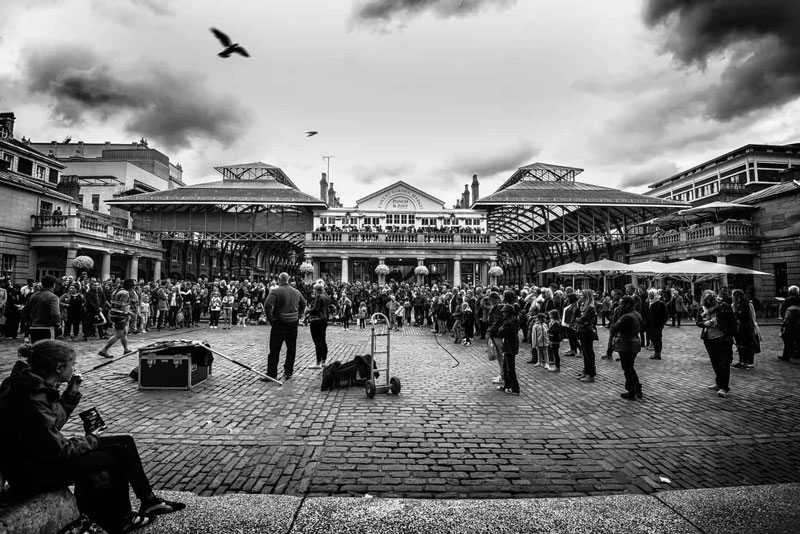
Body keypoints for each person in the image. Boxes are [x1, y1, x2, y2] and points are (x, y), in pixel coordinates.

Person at [0, 340, 185, 533]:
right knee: (108, 459)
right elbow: (59, 450)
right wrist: (93, 440)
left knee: (124, 443)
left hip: (34, 461)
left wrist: (70, 395)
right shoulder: (32, 396)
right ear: (59, 367)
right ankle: (119, 519)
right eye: (73, 365)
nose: (75, 368)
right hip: (32, 473)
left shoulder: (31, 386)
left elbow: (51, 425)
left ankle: (148, 500)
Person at [263, 272, 306, 381]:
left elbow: (267, 305)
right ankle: (288, 371)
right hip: (293, 323)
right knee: (291, 348)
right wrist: (299, 314)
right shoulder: (296, 292)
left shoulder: (276, 291)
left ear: (279, 279)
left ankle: (272, 373)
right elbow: (304, 303)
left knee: (275, 349)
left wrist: (270, 319)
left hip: (280, 322)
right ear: (288, 280)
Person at [697, 290, 738, 398]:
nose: (710, 302)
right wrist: (705, 323)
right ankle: (719, 382)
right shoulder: (702, 309)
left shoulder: (724, 307)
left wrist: (729, 334)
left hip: (723, 339)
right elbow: (698, 321)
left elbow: (733, 321)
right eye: (708, 301)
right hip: (709, 339)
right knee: (715, 362)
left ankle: (724, 387)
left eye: (712, 300)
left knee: (724, 363)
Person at [612, 296, 643, 400]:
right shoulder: (636, 314)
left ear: (627, 304)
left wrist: (617, 315)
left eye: (621, 304)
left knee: (627, 367)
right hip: (633, 342)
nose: (619, 306)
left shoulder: (627, 317)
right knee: (630, 367)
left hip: (627, 343)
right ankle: (637, 388)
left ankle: (631, 390)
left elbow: (615, 326)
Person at [98, 279, 137, 359]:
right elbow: (121, 306)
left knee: (124, 332)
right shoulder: (126, 293)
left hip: (114, 313)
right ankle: (104, 350)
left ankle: (126, 349)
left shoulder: (117, 290)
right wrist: (129, 313)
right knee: (118, 335)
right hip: (119, 315)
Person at [22, 274, 61, 343]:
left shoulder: (33, 296)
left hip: (33, 327)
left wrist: (30, 322)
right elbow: (55, 313)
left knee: (36, 350)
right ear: (54, 284)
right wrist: (58, 324)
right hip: (47, 328)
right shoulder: (53, 297)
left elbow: (25, 312)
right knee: (48, 350)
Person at [731, 289, 760, 370]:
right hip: (742, 328)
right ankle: (744, 361)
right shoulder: (736, 304)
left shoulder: (745, 304)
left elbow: (748, 317)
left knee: (744, 345)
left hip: (745, 328)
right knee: (742, 345)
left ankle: (744, 362)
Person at [496, 304, 520, 395]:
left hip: (510, 346)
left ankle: (515, 388)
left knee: (510, 368)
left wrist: (500, 329)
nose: (503, 314)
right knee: (506, 367)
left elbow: (500, 333)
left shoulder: (510, 323)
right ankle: (507, 385)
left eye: (504, 312)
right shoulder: (511, 321)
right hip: (508, 346)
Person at [575, 289, 598, 383]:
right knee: (585, 352)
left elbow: (582, 319)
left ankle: (590, 374)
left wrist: (578, 319)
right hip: (582, 331)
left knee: (588, 353)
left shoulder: (590, 307)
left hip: (587, 332)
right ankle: (586, 370)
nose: (580, 297)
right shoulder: (583, 306)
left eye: (581, 295)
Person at [307, 283, 330, 369]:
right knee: (323, 340)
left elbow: (315, 309)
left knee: (317, 342)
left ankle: (318, 362)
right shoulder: (326, 296)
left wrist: (308, 311)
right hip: (324, 319)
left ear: (316, 290)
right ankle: (323, 360)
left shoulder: (319, 296)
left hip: (317, 320)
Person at [645, 289, 668, 360]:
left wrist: (662, 324)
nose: (650, 296)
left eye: (651, 294)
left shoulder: (660, 303)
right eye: (649, 294)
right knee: (653, 338)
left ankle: (658, 353)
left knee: (657, 338)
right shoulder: (649, 303)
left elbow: (665, 315)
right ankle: (656, 352)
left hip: (657, 325)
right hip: (650, 325)